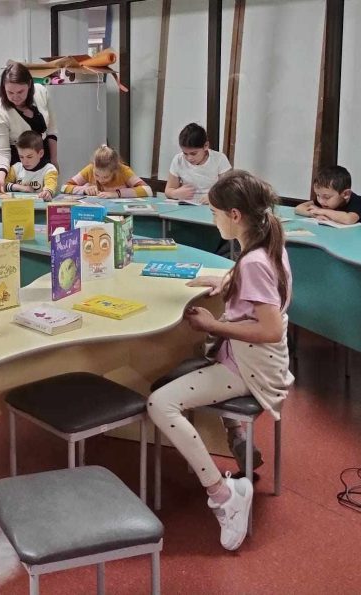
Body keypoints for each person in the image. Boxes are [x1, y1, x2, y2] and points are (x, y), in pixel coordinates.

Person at [148, 170, 293, 551]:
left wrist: (213, 324)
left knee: (160, 403)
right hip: (249, 360)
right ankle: (237, 437)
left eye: (214, 213)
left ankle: (224, 495)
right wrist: (225, 282)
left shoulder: (253, 262)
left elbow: (269, 328)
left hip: (247, 368)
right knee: (183, 378)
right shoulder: (265, 245)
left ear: (234, 215)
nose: (212, 220)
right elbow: (259, 291)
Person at [0, 62, 58, 194]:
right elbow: (2, 151)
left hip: (42, 155)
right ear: (3, 88)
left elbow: (51, 131)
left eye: (20, 91)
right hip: (18, 161)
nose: (15, 97)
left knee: (46, 193)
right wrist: (0, 177)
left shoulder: (41, 92)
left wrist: (54, 160)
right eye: (10, 92)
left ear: (29, 85)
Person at [164, 123, 232, 202]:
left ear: (206, 146)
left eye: (193, 153)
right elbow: (168, 190)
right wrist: (176, 193)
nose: (189, 158)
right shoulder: (178, 159)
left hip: (212, 205)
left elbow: (229, 190)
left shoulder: (219, 159)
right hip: (187, 204)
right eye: (185, 153)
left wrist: (214, 197)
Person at [62, 145, 152, 198]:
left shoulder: (123, 171)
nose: (100, 180)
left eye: (106, 177)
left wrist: (116, 194)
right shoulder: (89, 169)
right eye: (96, 175)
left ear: (115, 171)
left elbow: (147, 190)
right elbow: (64, 187)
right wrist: (84, 190)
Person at [294, 165, 361, 224]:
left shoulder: (359, 201)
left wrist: (322, 211)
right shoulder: (323, 201)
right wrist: (314, 214)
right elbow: (298, 208)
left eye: (327, 197)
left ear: (345, 194)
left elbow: (349, 219)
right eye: (318, 195)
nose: (321, 201)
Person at [2, 131, 59, 200]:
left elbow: (50, 186)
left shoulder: (49, 169)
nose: (25, 161)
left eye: (29, 157)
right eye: (21, 157)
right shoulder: (16, 168)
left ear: (40, 153)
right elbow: (3, 185)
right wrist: (21, 188)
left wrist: (47, 192)